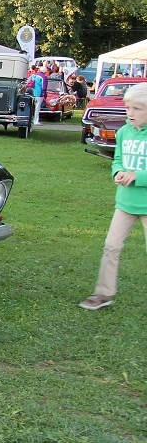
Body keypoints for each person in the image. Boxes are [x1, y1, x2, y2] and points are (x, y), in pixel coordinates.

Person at [79, 82, 147, 310]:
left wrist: (137, 176)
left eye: (138, 109)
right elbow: (117, 160)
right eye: (128, 107)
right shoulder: (124, 132)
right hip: (125, 202)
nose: (131, 113)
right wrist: (118, 172)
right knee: (111, 246)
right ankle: (103, 294)